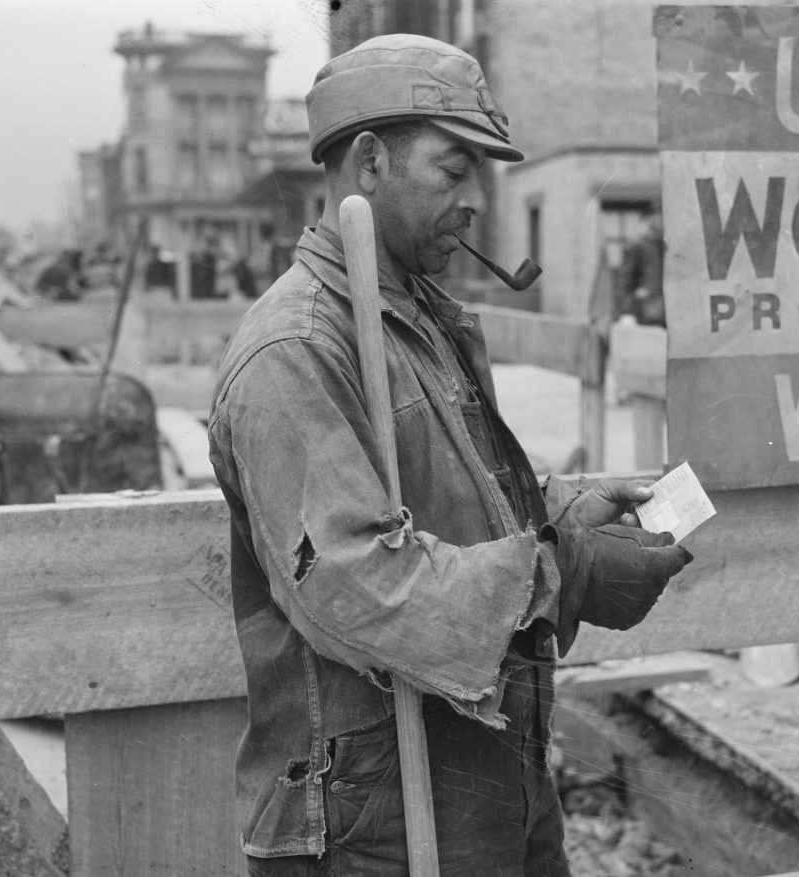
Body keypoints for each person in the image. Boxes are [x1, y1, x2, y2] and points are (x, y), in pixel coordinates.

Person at [208, 34, 693, 877]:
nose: (476, 201)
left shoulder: (415, 317)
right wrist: (564, 573)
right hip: (377, 823)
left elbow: (443, 495)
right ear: (369, 161)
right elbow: (354, 583)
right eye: (454, 169)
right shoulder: (297, 347)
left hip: (483, 775)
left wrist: (558, 516)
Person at [618, 207, 666, 327]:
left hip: (664, 306)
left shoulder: (662, 245)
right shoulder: (636, 246)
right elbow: (626, 279)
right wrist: (627, 310)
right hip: (646, 306)